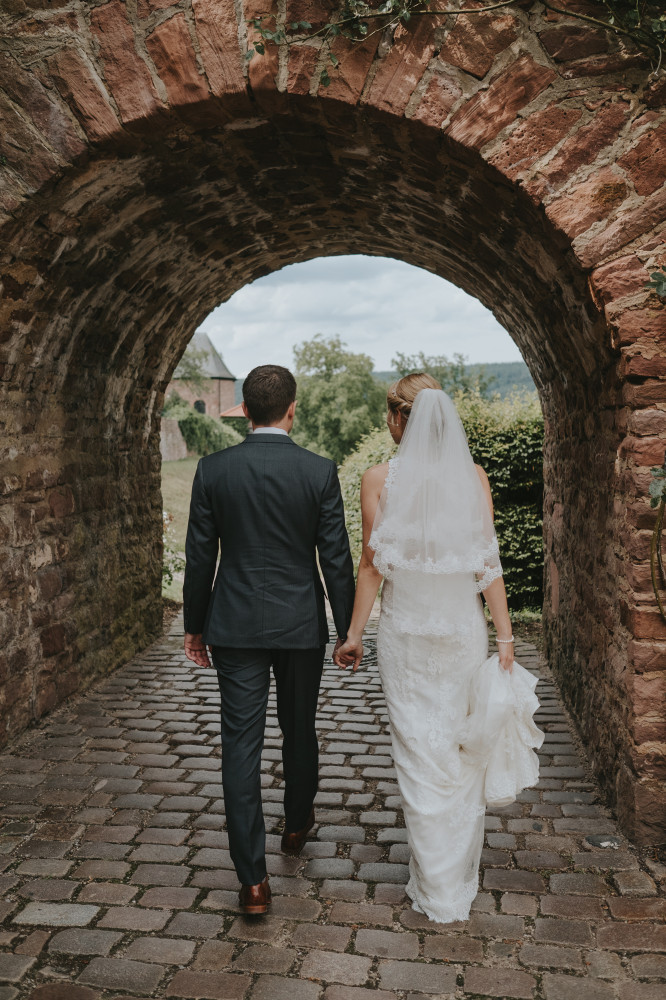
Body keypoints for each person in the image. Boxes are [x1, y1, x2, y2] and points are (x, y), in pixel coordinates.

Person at [334, 373, 543, 924]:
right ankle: (452, 883)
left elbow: (371, 565)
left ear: (401, 418)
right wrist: (505, 638)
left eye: (389, 414)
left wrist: (355, 634)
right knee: (458, 752)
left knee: (418, 756)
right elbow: (487, 562)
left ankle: (437, 882)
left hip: (405, 634)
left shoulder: (378, 478)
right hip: (461, 632)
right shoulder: (474, 477)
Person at [183, 364, 355, 915]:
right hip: (301, 624)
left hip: (233, 625)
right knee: (298, 726)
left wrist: (194, 624)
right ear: (292, 408)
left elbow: (199, 558)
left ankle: (252, 881)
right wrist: (348, 630)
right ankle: (297, 826)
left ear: (244, 410)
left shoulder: (213, 470)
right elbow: (336, 559)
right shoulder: (318, 471)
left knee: (241, 743)